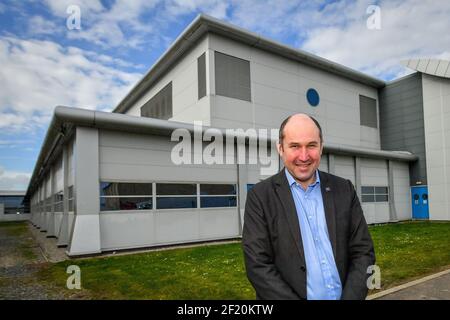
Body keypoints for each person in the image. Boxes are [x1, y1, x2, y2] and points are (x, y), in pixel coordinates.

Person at [242, 113, 375, 300]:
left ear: (321, 147)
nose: (304, 156)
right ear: (280, 148)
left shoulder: (344, 189)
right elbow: (258, 266)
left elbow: (363, 253)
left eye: (311, 145)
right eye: (295, 146)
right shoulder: (260, 196)